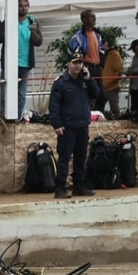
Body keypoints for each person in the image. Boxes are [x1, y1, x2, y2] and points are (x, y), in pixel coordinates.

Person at [48, 56, 94, 198]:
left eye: (80, 63)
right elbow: (54, 105)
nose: (78, 66)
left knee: (80, 157)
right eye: (75, 63)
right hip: (67, 127)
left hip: (82, 125)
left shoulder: (84, 81)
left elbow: (98, 95)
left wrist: (89, 80)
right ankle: (60, 187)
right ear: (68, 64)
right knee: (64, 157)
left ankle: (79, 185)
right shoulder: (61, 83)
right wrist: (57, 124)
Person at [0, 0, 41, 119]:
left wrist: (34, 31)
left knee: (21, 95)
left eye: (25, 5)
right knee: (5, 94)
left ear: (28, 7)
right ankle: (4, 120)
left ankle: (17, 120)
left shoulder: (32, 21)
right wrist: (9, 30)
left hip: (25, 64)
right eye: (20, 5)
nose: (23, 8)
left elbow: (38, 42)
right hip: (9, 64)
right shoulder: (9, 21)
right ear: (16, 7)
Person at [66, 9, 106, 110]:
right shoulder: (78, 36)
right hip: (86, 67)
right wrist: (81, 65)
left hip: (97, 68)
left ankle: (96, 115)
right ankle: (88, 115)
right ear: (84, 19)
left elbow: (101, 50)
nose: (94, 18)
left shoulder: (97, 34)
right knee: (87, 94)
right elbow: (72, 51)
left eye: (94, 17)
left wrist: (102, 63)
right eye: (91, 17)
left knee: (102, 96)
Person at [101, 41, 125, 118]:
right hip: (105, 86)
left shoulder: (114, 55)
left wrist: (109, 81)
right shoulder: (106, 56)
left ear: (108, 46)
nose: (102, 47)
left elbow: (119, 71)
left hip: (112, 87)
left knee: (114, 108)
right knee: (100, 106)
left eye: (103, 45)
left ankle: (118, 124)